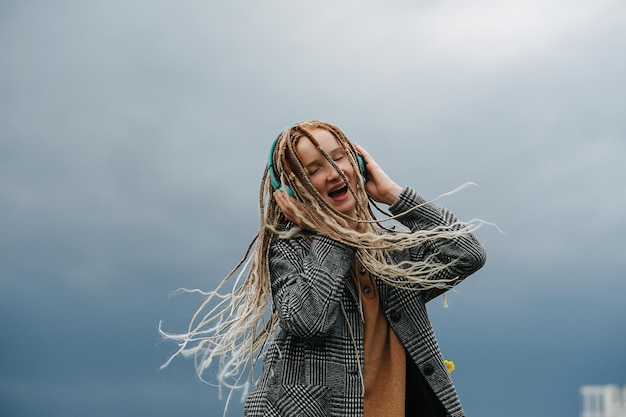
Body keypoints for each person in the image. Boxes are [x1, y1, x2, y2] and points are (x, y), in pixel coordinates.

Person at [161, 120, 486, 417]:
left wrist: (393, 195)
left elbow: (466, 253)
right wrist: (333, 232)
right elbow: (308, 320)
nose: (332, 172)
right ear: (293, 190)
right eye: (313, 169)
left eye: (338, 157)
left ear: (358, 162)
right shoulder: (289, 249)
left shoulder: (386, 251)